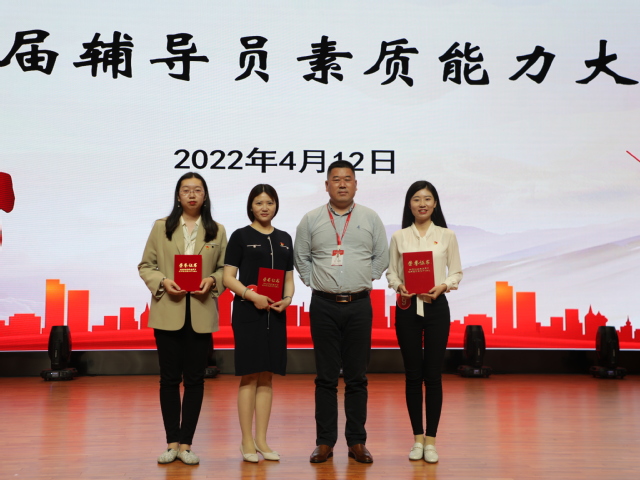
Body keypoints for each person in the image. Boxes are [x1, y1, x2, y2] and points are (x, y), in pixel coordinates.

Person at [294, 160, 389, 464]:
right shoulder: (311, 219)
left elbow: (381, 256)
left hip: (359, 304)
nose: (342, 184)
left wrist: (362, 278)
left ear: (356, 184)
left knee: (357, 377)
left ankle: (357, 441)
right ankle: (324, 442)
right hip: (323, 304)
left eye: (348, 179)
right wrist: (315, 281)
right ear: (327, 185)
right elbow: (301, 257)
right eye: (336, 179)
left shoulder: (370, 217)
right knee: (325, 377)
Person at [138, 172, 227, 465]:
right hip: (168, 312)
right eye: (186, 190)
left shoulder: (217, 231)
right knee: (168, 379)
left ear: (205, 195)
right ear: (178, 195)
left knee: (195, 380)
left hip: (200, 312)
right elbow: (146, 265)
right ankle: (171, 443)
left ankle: (187, 444)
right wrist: (163, 282)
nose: (191, 194)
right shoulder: (161, 227)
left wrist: (212, 281)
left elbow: (225, 270)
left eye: (197, 190)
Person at [386, 180, 463, 463]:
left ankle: (431, 441)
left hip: (436, 308)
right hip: (407, 308)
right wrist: (399, 286)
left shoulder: (446, 235)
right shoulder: (399, 237)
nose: (422, 204)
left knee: (433, 376)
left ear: (435, 203)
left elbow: (456, 272)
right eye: (416, 199)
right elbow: (391, 273)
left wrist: (443, 286)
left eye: (427, 199)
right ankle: (417, 439)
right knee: (412, 375)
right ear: (409, 204)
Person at [222, 184, 294, 463]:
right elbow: (228, 278)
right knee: (250, 375)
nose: (265, 207)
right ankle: (246, 441)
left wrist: (288, 299)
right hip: (248, 312)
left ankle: (262, 441)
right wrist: (252, 296)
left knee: (267, 376)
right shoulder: (240, 236)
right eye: (259, 202)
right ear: (251, 206)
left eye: (270, 202)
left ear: (276, 206)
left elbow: (288, 277)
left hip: (275, 313)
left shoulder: (285, 238)